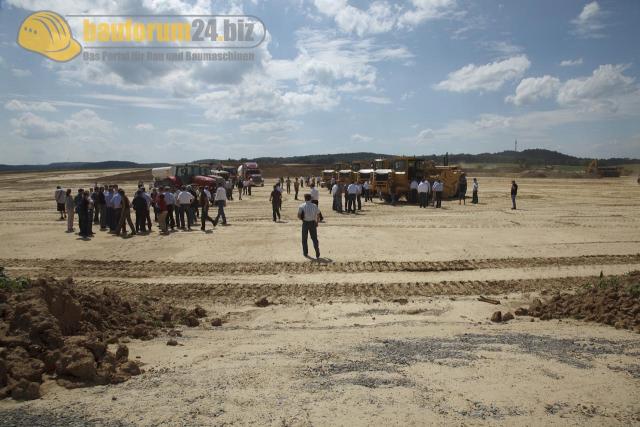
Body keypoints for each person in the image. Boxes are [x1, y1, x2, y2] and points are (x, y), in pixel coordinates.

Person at [298, 194, 320, 259]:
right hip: (313, 222)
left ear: (305, 199)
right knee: (314, 238)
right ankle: (317, 250)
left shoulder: (301, 206)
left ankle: (305, 252)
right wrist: (317, 222)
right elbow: (318, 214)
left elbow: (298, 215)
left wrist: (302, 219)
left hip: (305, 223)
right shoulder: (314, 205)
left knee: (304, 239)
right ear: (310, 198)